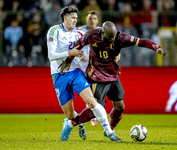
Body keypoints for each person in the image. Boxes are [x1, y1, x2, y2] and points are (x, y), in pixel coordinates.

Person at [61, 21, 166, 138]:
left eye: (113, 36)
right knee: (94, 111)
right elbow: (77, 44)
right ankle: (70, 123)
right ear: (102, 33)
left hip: (113, 76)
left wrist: (156, 48)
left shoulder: (120, 37)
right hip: (96, 78)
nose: (112, 39)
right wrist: (69, 59)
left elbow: (141, 42)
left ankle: (109, 129)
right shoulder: (91, 35)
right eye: (109, 37)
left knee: (120, 107)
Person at [46, 6, 122, 142]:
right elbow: (51, 56)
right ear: (65, 18)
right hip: (58, 75)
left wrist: (116, 52)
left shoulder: (80, 33)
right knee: (69, 114)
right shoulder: (54, 31)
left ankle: (109, 132)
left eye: (76, 18)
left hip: (76, 72)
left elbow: (105, 39)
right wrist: (70, 53)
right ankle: (75, 123)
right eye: (73, 18)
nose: (75, 20)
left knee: (92, 102)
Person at [78, 10, 100, 126]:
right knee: (89, 95)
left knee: (93, 95)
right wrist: (78, 54)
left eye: (94, 18)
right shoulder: (79, 31)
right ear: (86, 19)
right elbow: (73, 44)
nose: (92, 20)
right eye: (90, 18)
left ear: (97, 20)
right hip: (81, 69)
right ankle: (90, 117)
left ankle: (92, 117)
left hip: (96, 69)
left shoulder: (101, 32)